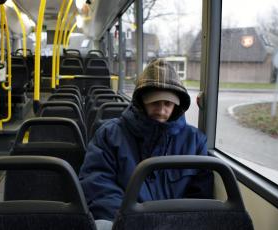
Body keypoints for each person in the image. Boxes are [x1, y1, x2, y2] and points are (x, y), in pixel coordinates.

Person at [79, 58, 214, 227]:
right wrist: (127, 222)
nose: (161, 110)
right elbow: (98, 184)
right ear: (141, 102)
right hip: (124, 222)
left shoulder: (195, 141)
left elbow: (200, 196)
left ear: (177, 106)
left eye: (168, 104)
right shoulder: (109, 134)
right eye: (155, 103)